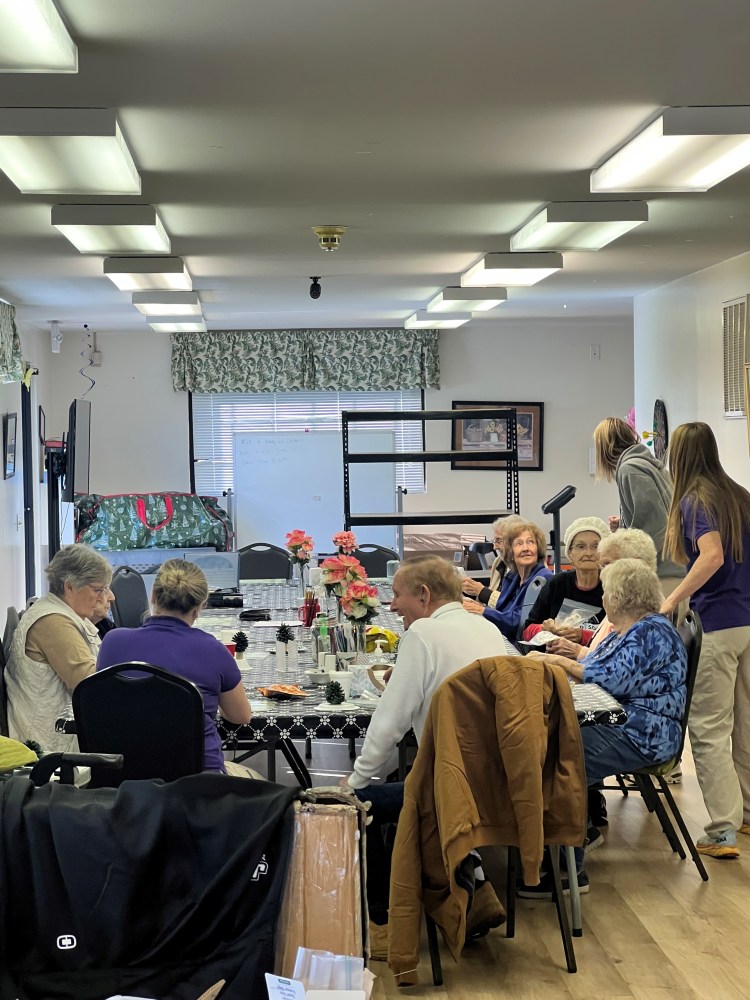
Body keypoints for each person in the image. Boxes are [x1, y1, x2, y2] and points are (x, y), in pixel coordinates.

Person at [344, 556, 509, 947]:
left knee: (361, 805)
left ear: (423, 594)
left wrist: (354, 782)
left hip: (452, 789)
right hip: (501, 783)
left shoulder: (422, 635)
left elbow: (389, 725)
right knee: (408, 785)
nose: (392, 605)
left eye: (397, 595)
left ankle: (383, 927)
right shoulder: (487, 628)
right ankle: (475, 885)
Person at [522, 559, 687, 896]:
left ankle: (569, 870)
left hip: (644, 732)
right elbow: (597, 664)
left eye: (607, 592)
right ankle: (555, 849)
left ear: (621, 597)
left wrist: (555, 660)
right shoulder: (631, 628)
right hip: (628, 722)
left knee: (562, 756)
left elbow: (610, 679)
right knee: (555, 739)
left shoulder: (649, 631)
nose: (602, 598)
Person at [661, 421, 750, 859]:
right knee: (746, 722)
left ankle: (722, 831)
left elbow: (711, 555)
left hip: (718, 623)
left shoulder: (695, 500)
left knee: (710, 727)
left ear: (678, 456)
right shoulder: (739, 495)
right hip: (748, 622)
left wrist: (673, 597)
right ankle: (746, 813)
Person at [98, 559, 252, 773]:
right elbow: (241, 716)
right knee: (254, 779)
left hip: (125, 778)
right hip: (199, 782)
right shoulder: (213, 650)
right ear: (200, 606)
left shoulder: (112, 642)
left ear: (153, 596)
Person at [4, 544, 112, 752]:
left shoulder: (60, 613)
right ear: (70, 587)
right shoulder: (54, 623)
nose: (109, 597)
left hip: (59, 733)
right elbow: (91, 686)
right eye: (98, 590)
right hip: (52, 745)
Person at [593, 416, 684, 595]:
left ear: (605, 447)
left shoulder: (630, 469)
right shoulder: (647, 464)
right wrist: (623, 524)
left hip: (663, 573)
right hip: (673, 566)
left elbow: (655, 525)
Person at [521, 516, 609, 643]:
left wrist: (583, 636)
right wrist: (544, 629)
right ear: (570, 553)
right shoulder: (557, 584)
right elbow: (526, 631)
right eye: (581, 546)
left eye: (596, 546)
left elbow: (622, 636)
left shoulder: (612, 588)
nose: (588, 553)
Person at [463, 520, 552, 641]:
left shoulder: (543, 579)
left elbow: (520, 623)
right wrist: (478, 607)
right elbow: (502, 609)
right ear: (510, 552)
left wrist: (482, 611)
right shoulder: (512, 576)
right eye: (519, 544)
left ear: (538, 548)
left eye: (530, 542)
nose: (525, 548)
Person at [461, 514, 524, 605]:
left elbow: (514, 606)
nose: (494, 547)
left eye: (499, 541)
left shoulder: (526, 568)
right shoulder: (499, 562)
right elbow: (493, 603)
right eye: (495, 541)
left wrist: (481, 591)